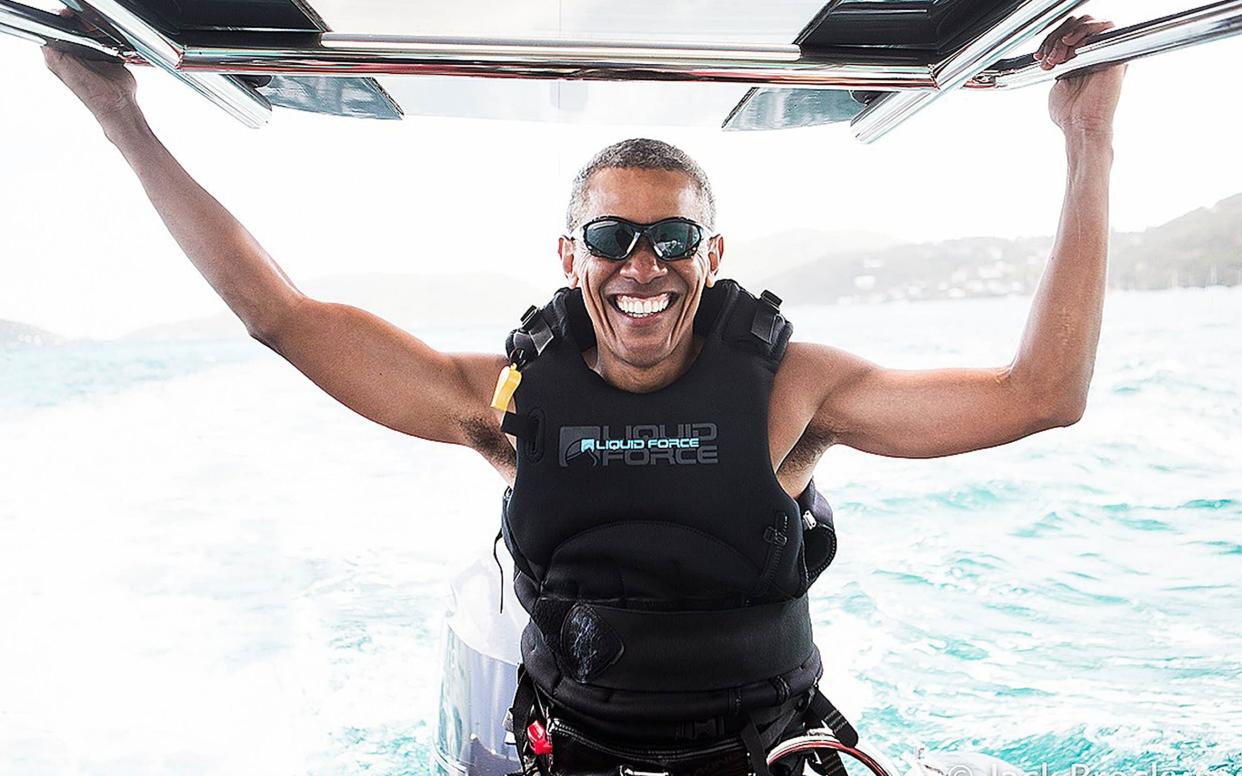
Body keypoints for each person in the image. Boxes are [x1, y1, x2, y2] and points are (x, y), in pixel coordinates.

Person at [40, 14, 1124, 776]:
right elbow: (278, 315)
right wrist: (117, 116)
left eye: (671, 238)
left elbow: (1040, 395)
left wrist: (1088, 139)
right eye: (612, 237)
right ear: (572, 254)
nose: (640, 267)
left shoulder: (795, 387)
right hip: (572, 751)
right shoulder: (506, 397)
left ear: (713, 251)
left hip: (769, 752)